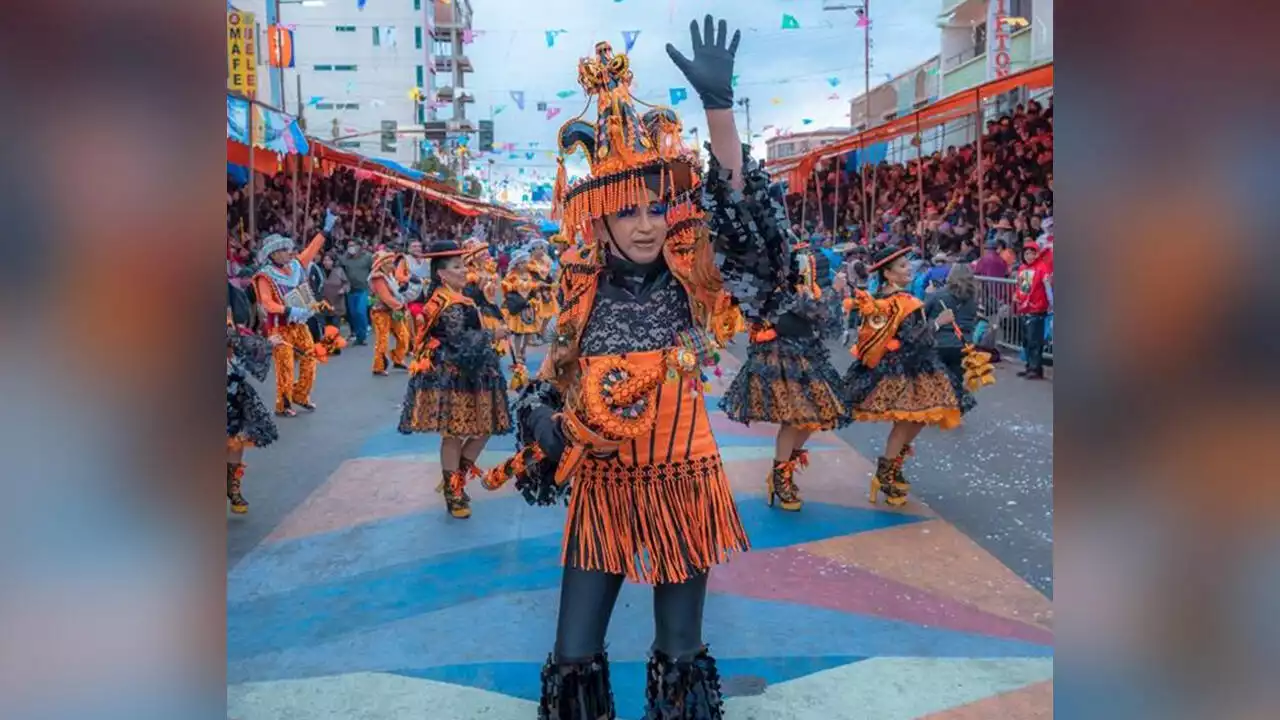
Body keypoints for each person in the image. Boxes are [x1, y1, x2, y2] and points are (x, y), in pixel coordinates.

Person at [481, 18, 796, 716]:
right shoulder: (579, 292)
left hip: (684, 484)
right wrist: (543, 421)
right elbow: (544, 381)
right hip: (600, 491)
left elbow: (749, 229)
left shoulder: (698, 280)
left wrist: (720, 113)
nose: (647, 223)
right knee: (572, 655)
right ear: (600, 219)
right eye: (629, 211)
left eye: (658, 206)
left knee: (681, 655)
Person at [720, 238, 848, 512]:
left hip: (805, 353)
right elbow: (817, 311)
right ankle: (780, 478)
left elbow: (824, 322)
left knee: (815, 415)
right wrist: (836, 291)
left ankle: (785, 467)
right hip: (784, 356)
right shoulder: (780, 289)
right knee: (794, 418)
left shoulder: (798, 288)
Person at [843, 245, 975, 507]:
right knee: (905, 422)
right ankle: (885, 475)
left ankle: (893, 468)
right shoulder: (896, 303)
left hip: (914, 366)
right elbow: (909, 339)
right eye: (903, 266)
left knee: (918, 420)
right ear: (889, 274)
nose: (909, 269)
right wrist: (939, 323)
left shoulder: (887, 300)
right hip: (904, 369)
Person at [397, 239, 512, 519]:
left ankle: (455, 480)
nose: (465, 271)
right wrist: (493, 335)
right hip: (453, 373)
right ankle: (454, 492)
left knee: (483, 428)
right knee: (454, 432)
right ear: (442, 274)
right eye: (458, 267)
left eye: (464, 265)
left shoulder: (457, 296)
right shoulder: (446, 302)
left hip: (472, 370)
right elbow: (458, 340)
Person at [251, 232, 327, 417]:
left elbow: (311, 250)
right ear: (274, 254)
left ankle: (300, 395)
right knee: (285, 367)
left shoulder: (295, 266)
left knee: (310, 358)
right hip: (280, 327)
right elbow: (267, 303)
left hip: (299, 324)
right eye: (284, 250)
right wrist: (289, 311)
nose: (289, 252)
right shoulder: (264, 276)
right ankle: (283, 404)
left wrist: (324, 231)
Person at [226, 305, 281, 515]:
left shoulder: (229, 314)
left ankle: (233, 489)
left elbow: (241, 344)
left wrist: (267, 344)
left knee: (236, 441)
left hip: (233, 393)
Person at [924, 263, 983, 395]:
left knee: (937, 381)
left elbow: (923, 315)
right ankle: (955, 407)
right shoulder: (974, 297)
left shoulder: (938, 295)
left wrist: (927, 294)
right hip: (963, 343)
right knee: (956, 380)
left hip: (939, 342)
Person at [368, 250, 416, 376]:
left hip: (393, 311)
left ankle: (398, 359)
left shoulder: (390, 276)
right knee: (382, 339)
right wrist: (400, 306)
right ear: (382, 264)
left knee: (404, 336)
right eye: (389, 263)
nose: (393, 265)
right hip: (380, 312)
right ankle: (378, 366)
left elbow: (395, 293)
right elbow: (386, 297)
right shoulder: (377, 277)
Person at [500, 250, 542, 388]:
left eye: (526, 262)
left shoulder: (529, 274)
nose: (526, 264)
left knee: (529, 331)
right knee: (518, 332)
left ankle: (523, 350)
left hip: (528, 306)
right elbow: (508, 288)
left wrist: (535, 293)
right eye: (523, 262)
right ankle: (518, 354)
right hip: (517, 307)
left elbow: (533, 287)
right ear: (517, 264)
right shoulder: (511, 276)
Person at [1013, 239, 1053, 379]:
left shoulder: (1042, 268)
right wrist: (1016, 297)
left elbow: (1048, 288)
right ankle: (1030, 366)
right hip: (1025, 309)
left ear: (1036, 254)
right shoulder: (1023, 269)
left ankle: (1035, 368)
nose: (1029, 256)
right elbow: (1022, 288)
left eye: (1031, 253)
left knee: (1034, 340)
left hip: (1037, 308)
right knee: (1026, 340)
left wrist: (1051, 304)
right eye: (1027, 253)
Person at [338, 240, 374, 345]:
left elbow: (374, 269)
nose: (351, 248)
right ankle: (358, 336)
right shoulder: (345, 259)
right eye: (349, 246)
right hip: (350, 290)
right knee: (353, 314)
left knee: (360, 312)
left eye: (353, 245)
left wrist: (373, 284)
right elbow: (339, 269)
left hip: (363, 289)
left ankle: (362, 336)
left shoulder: (367, 257)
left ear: (359, 246)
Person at [318, 254, 349, 346]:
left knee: (335, 324)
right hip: (324, 302)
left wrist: (343, 289)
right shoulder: (320, 271)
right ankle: (329, 342)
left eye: (329, 260)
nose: (326, 262)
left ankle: (335, 344)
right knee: (326, 325)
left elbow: (346, 283)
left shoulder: (339, 271)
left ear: (333, 261)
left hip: (337, 302)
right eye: (325, 260)